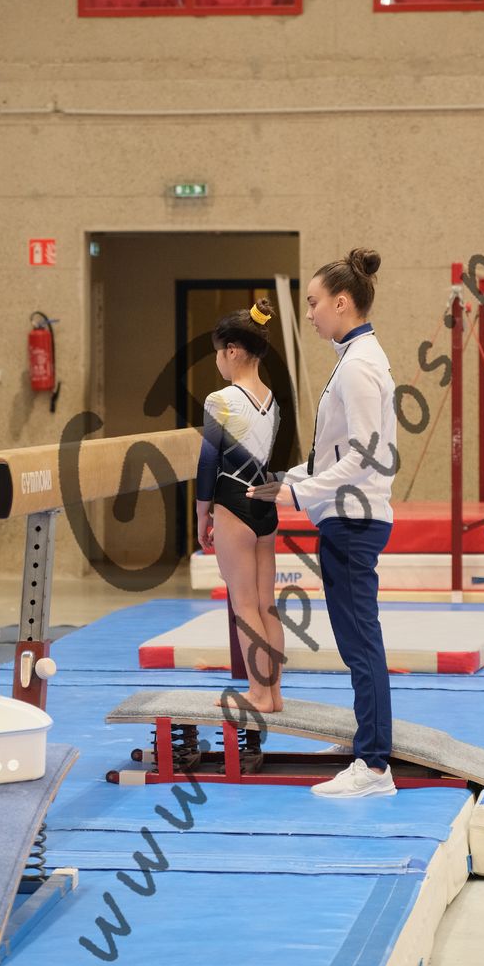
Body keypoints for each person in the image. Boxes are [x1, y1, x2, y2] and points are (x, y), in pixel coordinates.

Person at [247, 249, 398, 798]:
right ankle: (366, 740)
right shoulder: (355, 357)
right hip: (346, 515)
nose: (309, 313)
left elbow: (365, 455)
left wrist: (296, 492)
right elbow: (335, 452)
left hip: (353, 519)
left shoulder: (358, 365)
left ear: (342, 302)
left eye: (313, 303)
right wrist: (286, 477)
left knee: (360, 643)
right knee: (356, 639)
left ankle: (374, 766)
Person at [196, 298, 285, 713]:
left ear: (232, 351)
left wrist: (202, 513)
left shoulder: (221, 399)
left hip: (233, 502)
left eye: (218, 352)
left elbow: (208, 462)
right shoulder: (272, 400)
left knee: (244, 604)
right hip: (266, 505)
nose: (218, 360)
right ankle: (274, 694)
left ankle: (257, 693)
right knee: (266, 604)